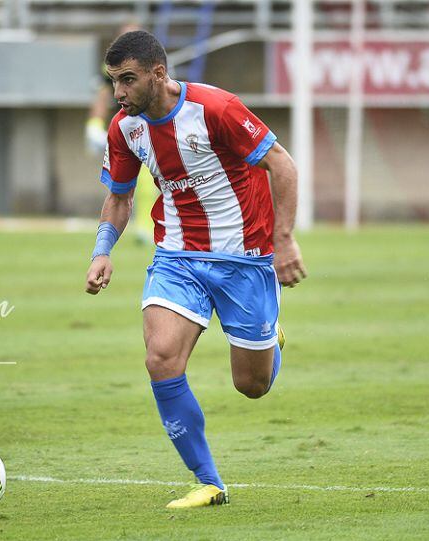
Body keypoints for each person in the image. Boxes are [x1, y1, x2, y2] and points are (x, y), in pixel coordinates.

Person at [84, 30, 307, 509]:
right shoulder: (125, 127)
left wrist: (284, 241)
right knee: (161, 357)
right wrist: (103, 250)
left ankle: (270, 340)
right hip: (177, 257)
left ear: (158, 74)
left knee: (251, 386)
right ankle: (209, 482)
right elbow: (119, 195)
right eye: (114, 82)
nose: (118, 93)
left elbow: (283, 165)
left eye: (127, 80)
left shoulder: (217, 108)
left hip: (244, 258)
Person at [85, 22, 158, 244]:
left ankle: (146, 228)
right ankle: (111, 235)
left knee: (148, 179)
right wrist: (94, 124)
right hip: (122, 128)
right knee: (118, 183)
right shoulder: (112, 66)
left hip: (145, 125)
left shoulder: (153, 64)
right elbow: (103, 93)